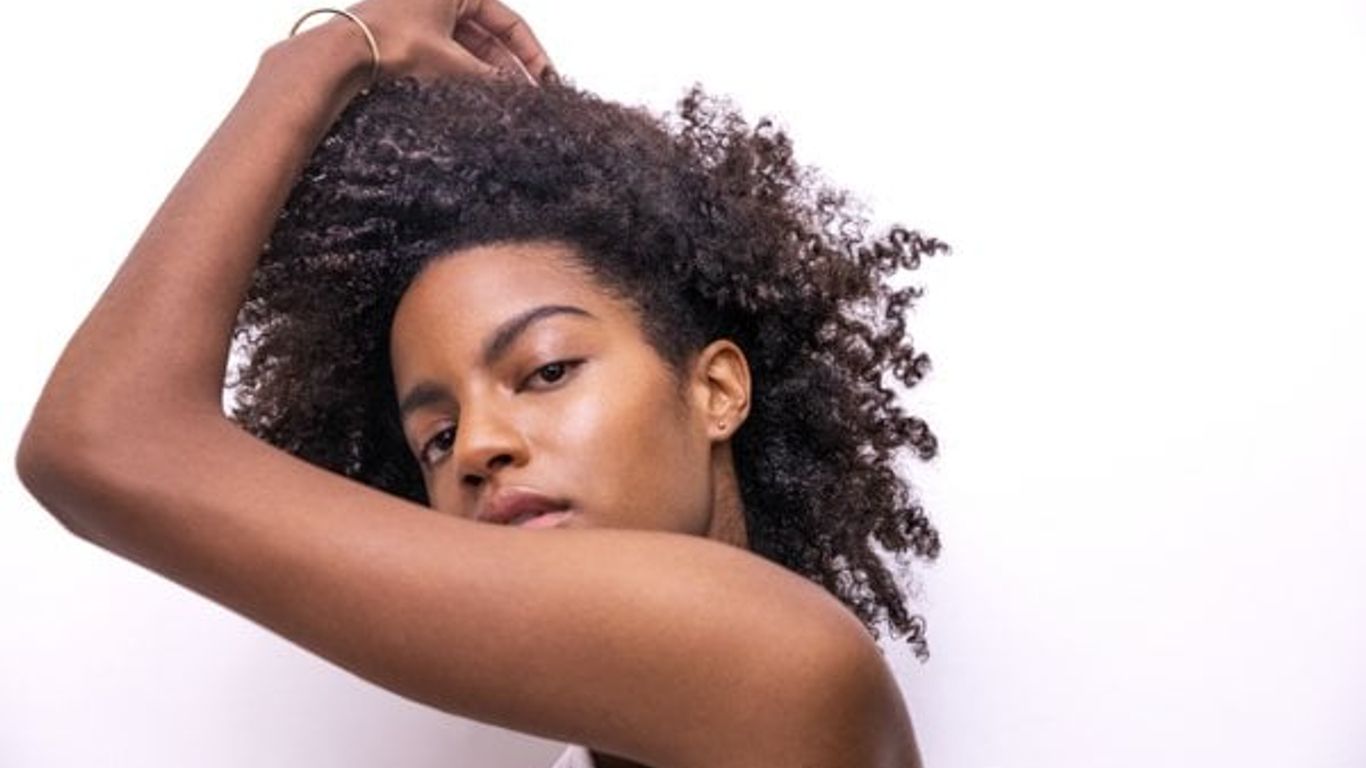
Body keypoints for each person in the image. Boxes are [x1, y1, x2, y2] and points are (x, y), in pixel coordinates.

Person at [15, 1, 944, 765]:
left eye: (544, 370)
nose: (480, 448)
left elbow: (102, 442)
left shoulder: (780, 664)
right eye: (436, 437)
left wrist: (327, 55)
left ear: (716, 391)